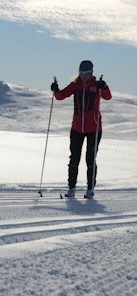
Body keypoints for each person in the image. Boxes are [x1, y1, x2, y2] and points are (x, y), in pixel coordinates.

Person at [50, 60, 112, 198]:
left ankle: (90, 189)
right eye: (82, 73)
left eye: (87, 73)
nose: (84, 75)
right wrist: (55, 89)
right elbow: (60, 96)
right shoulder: (75, 86)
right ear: (79, 73)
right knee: (74, 158)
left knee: (90, 159)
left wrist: (105, 86)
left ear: (92, 72)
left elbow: (108, 97)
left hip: (94, 129)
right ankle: (71, 188)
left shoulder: (96, 86)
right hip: (77, 128)